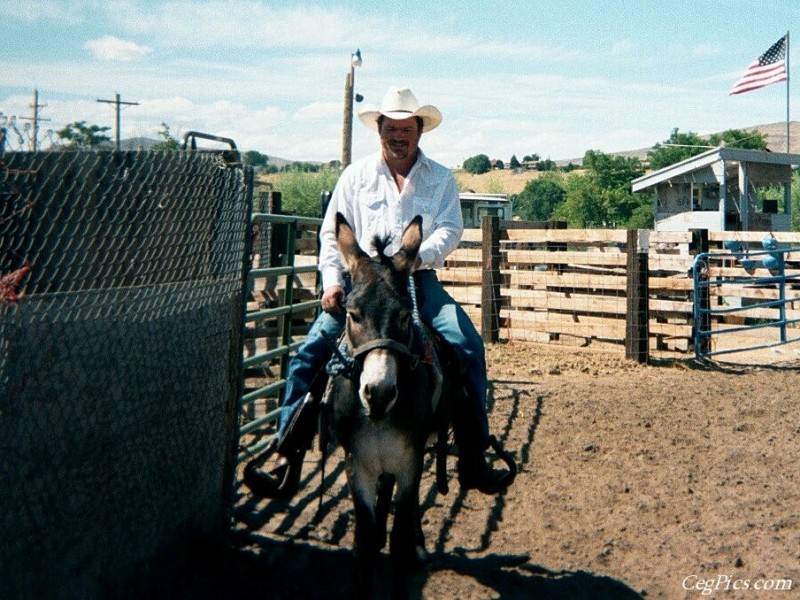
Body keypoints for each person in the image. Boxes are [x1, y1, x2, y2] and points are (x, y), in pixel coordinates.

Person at [245, 86, 514, 498]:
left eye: (406, 128)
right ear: (380, 131)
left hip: (416, 281)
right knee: (309, 355)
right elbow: (330, 234)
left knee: (467, 345)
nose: (399, 136)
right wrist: (334, 282)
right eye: (391, 128)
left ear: (420, 130)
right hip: (363, 288)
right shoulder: (355, 177)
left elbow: (451, 230)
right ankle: (287, 455)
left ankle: (475, 456)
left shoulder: (440, 178)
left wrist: (412, 257)